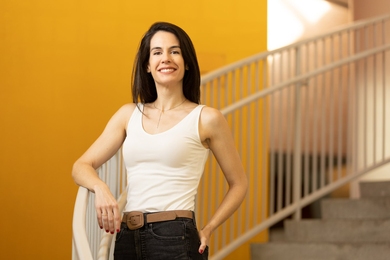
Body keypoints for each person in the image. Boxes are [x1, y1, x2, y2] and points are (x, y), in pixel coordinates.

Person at [72, 21, 248, 260]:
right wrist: (101, 188)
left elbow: (239, 183)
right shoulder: (128, 114)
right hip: (126, 237)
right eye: (157, 52)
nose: (166, 58)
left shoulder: (207, 118)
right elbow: (80, 166)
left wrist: (209, 228)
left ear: (186, 64)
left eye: (175, 51)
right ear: (147, 65)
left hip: (175, 237)